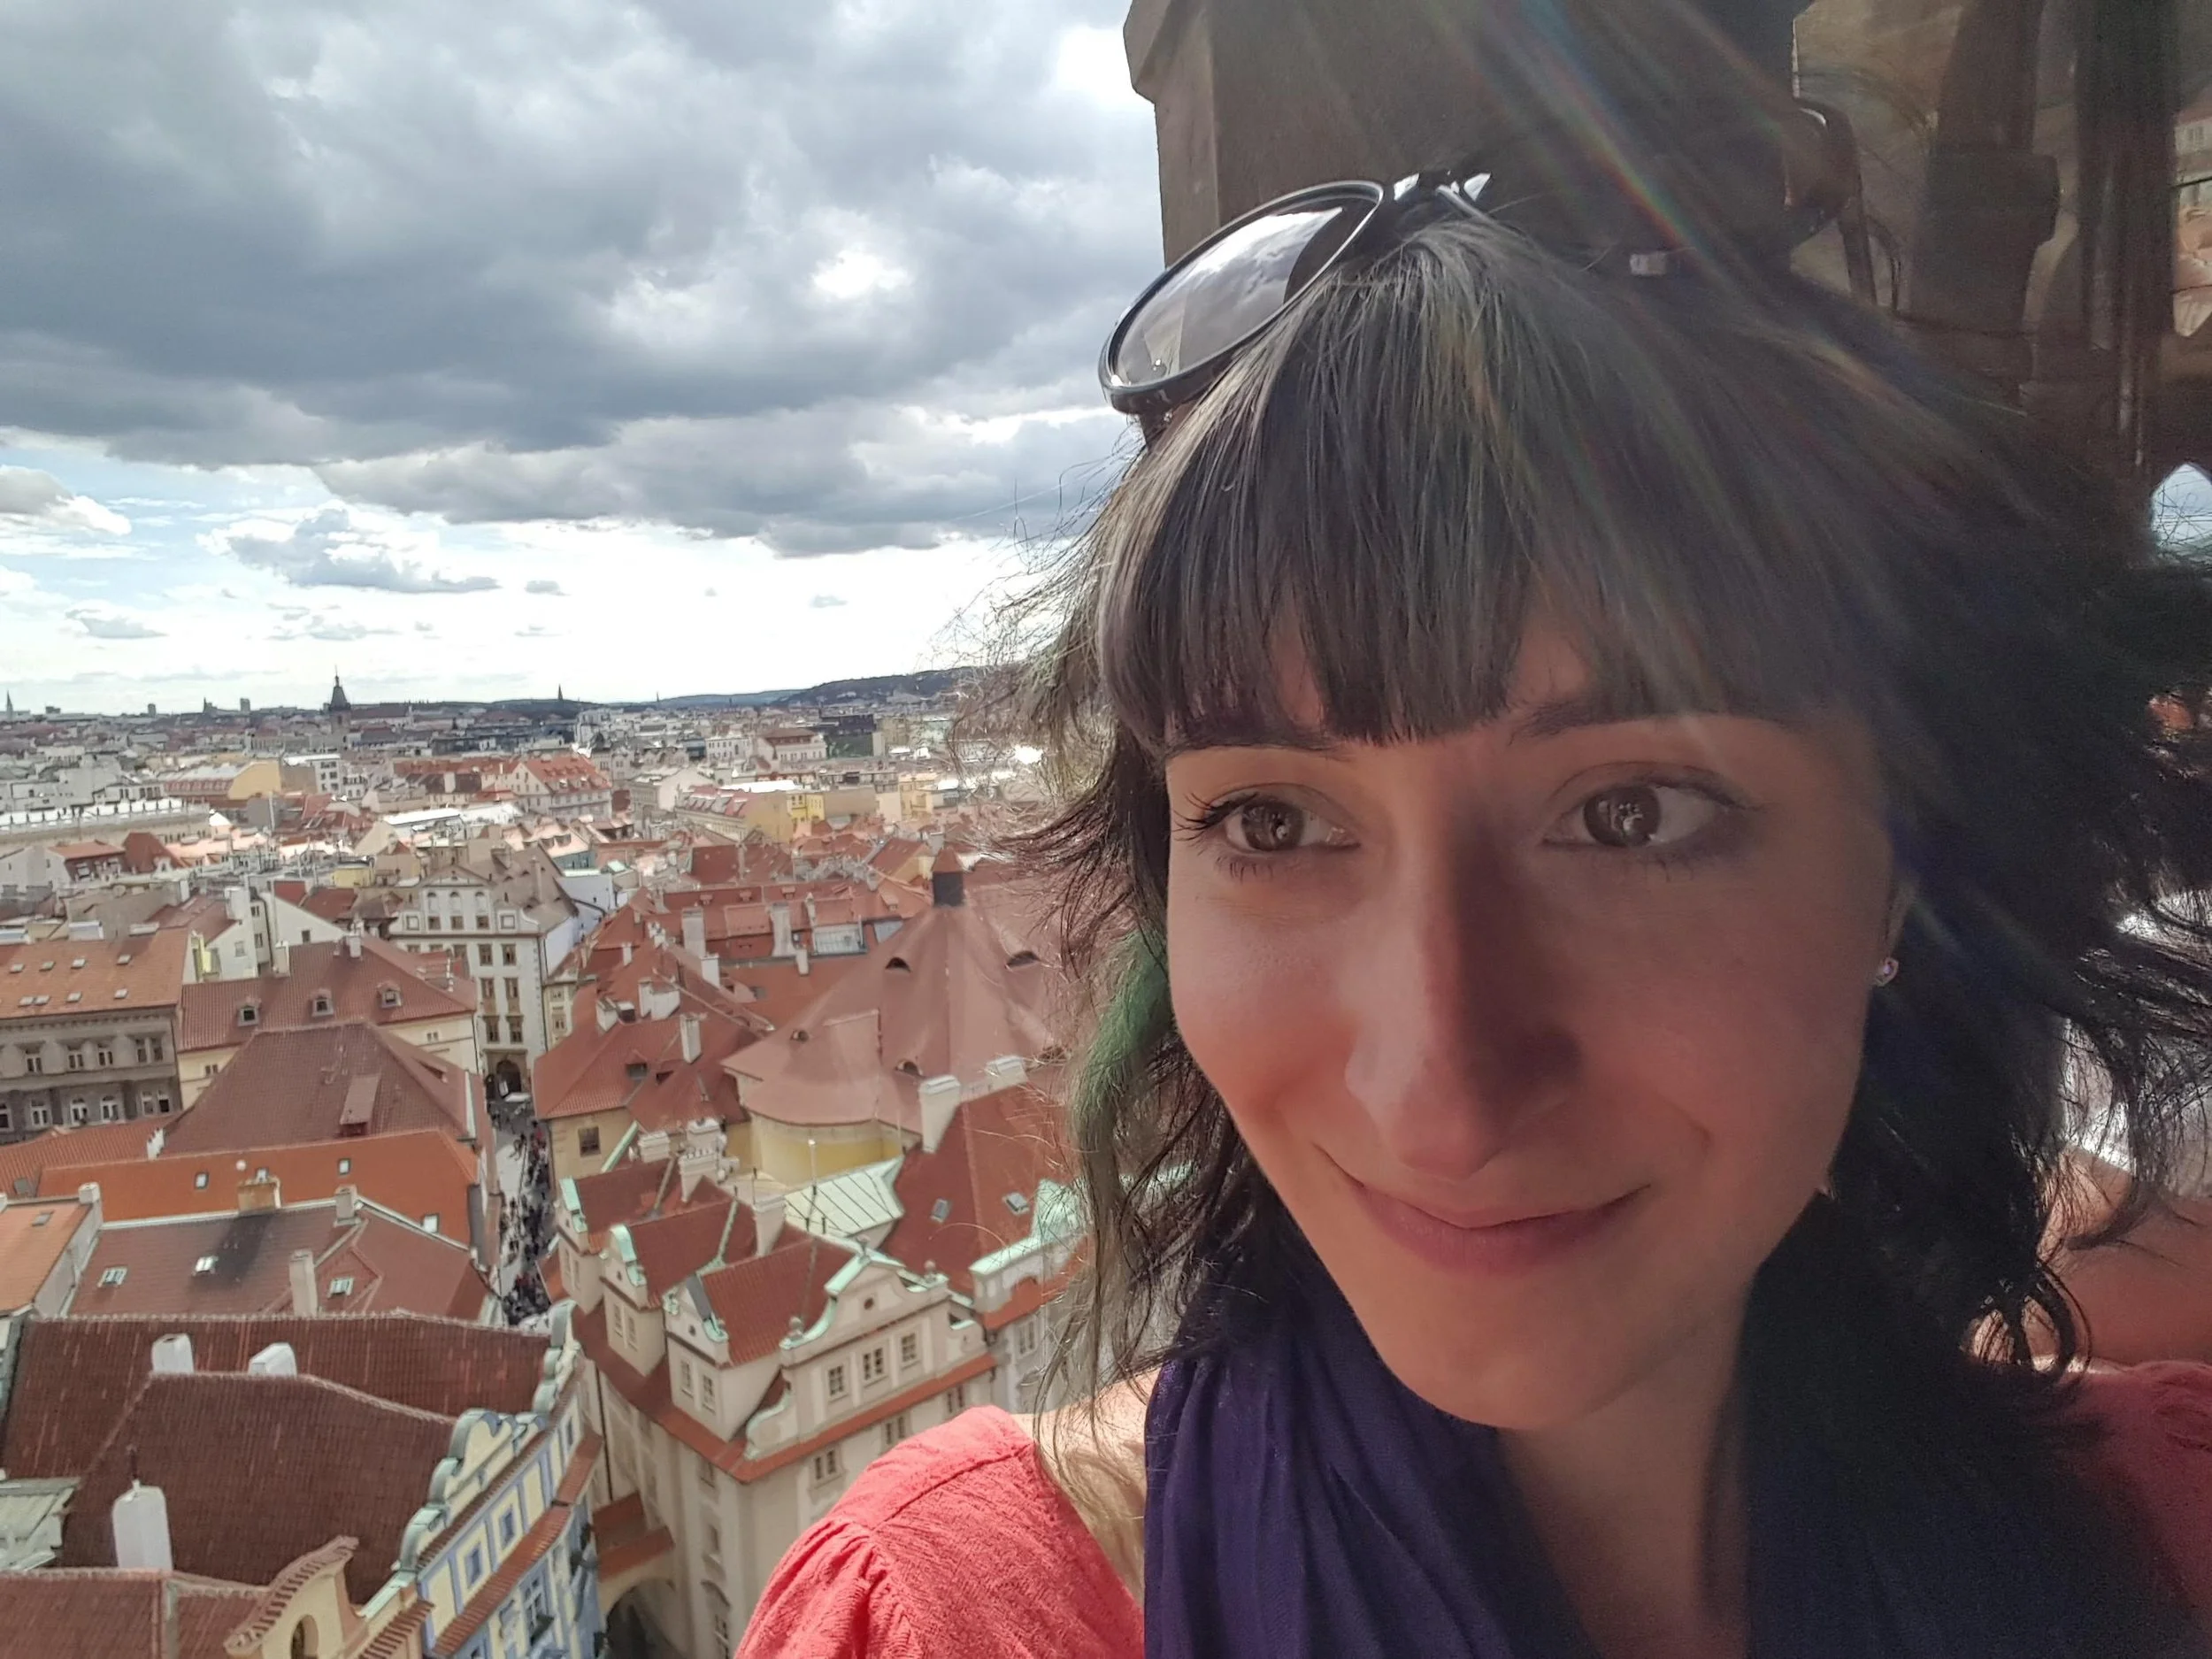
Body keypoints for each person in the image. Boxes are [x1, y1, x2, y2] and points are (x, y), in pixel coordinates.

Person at [739, 152, 2212, 1659]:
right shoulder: (950, 1622)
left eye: (1630, 815)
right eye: (1271, 819)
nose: (1441, 1092)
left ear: (1900, 864)